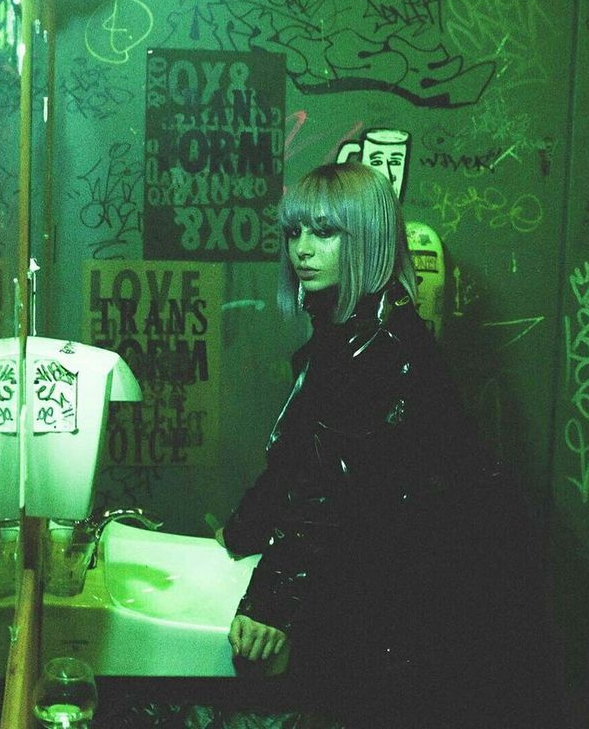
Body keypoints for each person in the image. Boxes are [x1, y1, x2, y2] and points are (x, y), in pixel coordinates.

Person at [215, 162, 549, 726]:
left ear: (366, 238)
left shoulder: (379, 350)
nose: (302, 249)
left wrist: (269, 604)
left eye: (325, 232)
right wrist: (242, 528)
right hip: (391, 606)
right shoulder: (347, 337)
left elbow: (328, 490)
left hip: (412, 621)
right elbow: (302, 457)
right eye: (294, 232)